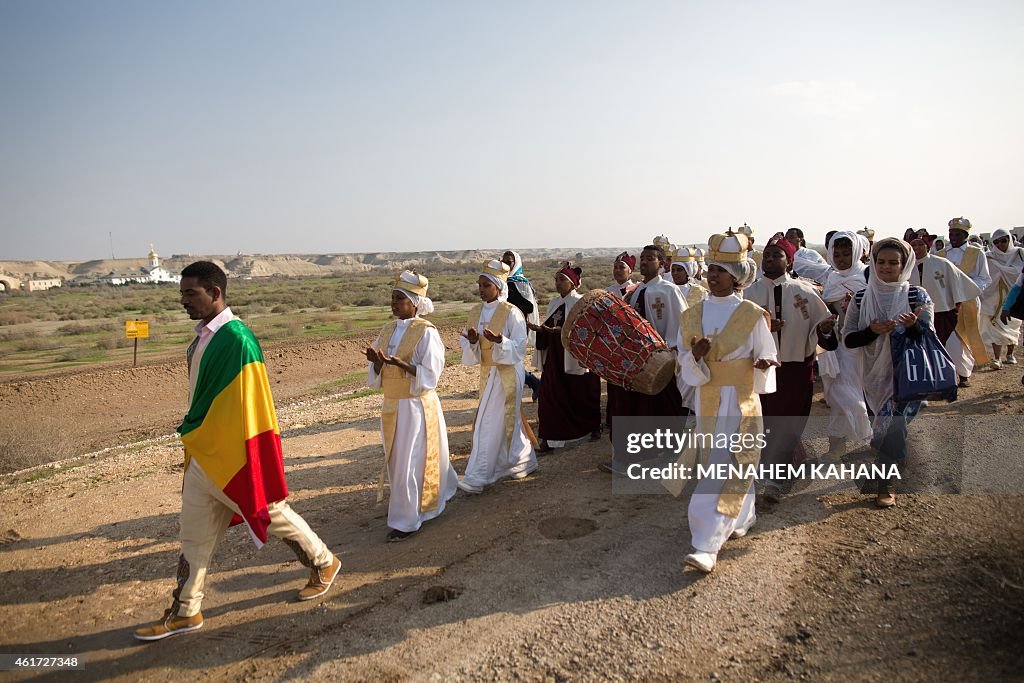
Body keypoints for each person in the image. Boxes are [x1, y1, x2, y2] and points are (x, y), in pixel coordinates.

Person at [134, 262, 340, 641]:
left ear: (215, 293)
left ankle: (324, 563)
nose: (183, 301)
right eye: (181, 294)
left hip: (230, 453)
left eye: (190, 294)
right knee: (193, 536)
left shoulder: (238, 339)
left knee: (269, 511)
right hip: (202, 451)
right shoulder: (202, 338)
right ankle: (185, 611)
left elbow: (252, 404)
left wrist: (245, 454)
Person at [668, 232, 778, 573]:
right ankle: (742, 516)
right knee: (722, 462)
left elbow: (768, 352)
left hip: (741, 401)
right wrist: (697, 358)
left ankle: (706, 544)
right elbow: (684, 365)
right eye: (712, 268)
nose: (714, 275)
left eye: (723, 270)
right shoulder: (691, 315)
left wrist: (763, 364)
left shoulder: (751, 314)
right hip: (708, 399)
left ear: (738, 275)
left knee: (727, 463)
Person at [365, 271, 458, 541]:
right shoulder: (388, 329)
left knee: (410, 461)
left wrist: (400, 364)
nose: (393, 303)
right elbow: (378, 372)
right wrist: (377, 362)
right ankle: (409, 505)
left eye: (399, 299)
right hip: (393, 405)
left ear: (414, 303)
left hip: (416, 407)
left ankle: (407, 520)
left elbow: (431, 374)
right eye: (393, 298)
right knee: (398, 460)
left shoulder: (426, 332)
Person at [843, 238, 934, 508]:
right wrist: (872, 332)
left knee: (893, 427)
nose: (886, 267)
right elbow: (848, 339)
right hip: (872, 376)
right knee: (883, 429)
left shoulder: (917, 296)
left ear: (904, 265)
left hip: (907, 374)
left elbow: (929, 338)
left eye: (893, 262)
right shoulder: (861, 298)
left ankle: (886, 484)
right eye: (881, 262)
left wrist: (915, 326)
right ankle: (893, 459)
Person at [744, 235, 834, 502]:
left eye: (777, 255)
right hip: (761, 368)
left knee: (792, 419)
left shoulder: (806, 292)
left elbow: (824, 331)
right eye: (767, 255)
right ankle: (772, 473)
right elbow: (735, 333)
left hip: (796, 367)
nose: (770, 259)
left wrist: (824, 329)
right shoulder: (749, 294)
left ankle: (781, 470)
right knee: (766, 420)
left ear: (789, 260)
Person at [602, 244, 688, 471]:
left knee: (665, 407)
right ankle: (627, 457)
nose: (644, 262)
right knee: (633, 409)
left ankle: (672, 452)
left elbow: (681, 323)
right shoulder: (636, 292)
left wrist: (673, 351)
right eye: (642, 258)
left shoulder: (669, 290)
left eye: (650, 258)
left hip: (661, 359)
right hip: (635, 362)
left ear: (662, 263)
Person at [458, 260, 538, 493]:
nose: (481, 289)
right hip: (488, 372)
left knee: (489, 422)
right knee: (503, 421)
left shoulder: (512, 312)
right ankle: (523, 461)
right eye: (480, 285)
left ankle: (479, 476)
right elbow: (468, 344)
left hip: (506, 373)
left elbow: (520, 348)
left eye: (486, 285)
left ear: (498, 287)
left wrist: (499, 341)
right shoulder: (475, 312)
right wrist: (473, 342)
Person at [530, 263, 602, 452]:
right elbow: (548, 327)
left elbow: (587, 330)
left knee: (581, 394)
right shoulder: (554, 303)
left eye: (562, 279)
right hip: (554, 357)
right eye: (556, 279)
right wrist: (541, 331)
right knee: (550, 396)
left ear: (573, 283)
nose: (558, 283)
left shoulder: (581, 302)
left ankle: (592, 426)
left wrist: (561, 331)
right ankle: (548, 438)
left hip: (574, 356)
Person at [818, 231, 872, 458]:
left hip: (860, 345)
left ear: (858, 252)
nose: (840, 258)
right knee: (835, 394)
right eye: (836, 254)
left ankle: (869, 437)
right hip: (835, 345)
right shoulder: (832, 278)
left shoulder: (867, 277)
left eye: (846, 253)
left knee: (850, 392)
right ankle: (836, 446)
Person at [909, 234, 982, 380]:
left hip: (943, 311)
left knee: (953, 345)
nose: (916, 248)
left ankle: (963, 374)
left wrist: (957, 302)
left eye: (920, 244)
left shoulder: (942, 263)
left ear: (927, 246)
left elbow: (959, 282)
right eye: (913, 245)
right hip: (917, 314)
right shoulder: (906, 266)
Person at [934, 217, 992, 385]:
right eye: (951, 233)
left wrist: (967, 290)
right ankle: (947, 373)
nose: (953, 237)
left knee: (963, 338)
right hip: (945, 303)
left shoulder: (976, 253)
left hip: (968, 302)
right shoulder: (940, 255)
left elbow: (984, 278)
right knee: (947, 336)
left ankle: (964, 374)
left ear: (966, 234)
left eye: (958, 234)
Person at [501, 250, 542, 400]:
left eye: (508, 262)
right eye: (503, 261)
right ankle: (533, 383)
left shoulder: (520, 282)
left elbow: (529, 306)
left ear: (515, 263)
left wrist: (510, 304)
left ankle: (533, 382)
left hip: (517, 325)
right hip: (502, 325)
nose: (505, 265)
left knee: (512, 360)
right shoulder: (501, 281)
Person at [981, 228, 1024, 368]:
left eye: (1003, 241)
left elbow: (1019, 277)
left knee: (1013, 325)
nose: (1000, 244)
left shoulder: (1019, 254)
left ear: (1009, 240)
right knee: (994, 326)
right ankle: (996, 358)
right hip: (993, 297)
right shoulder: (989, 257)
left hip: (1015, 298)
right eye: (996, 242)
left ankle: (1010, 354)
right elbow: (986, 277)